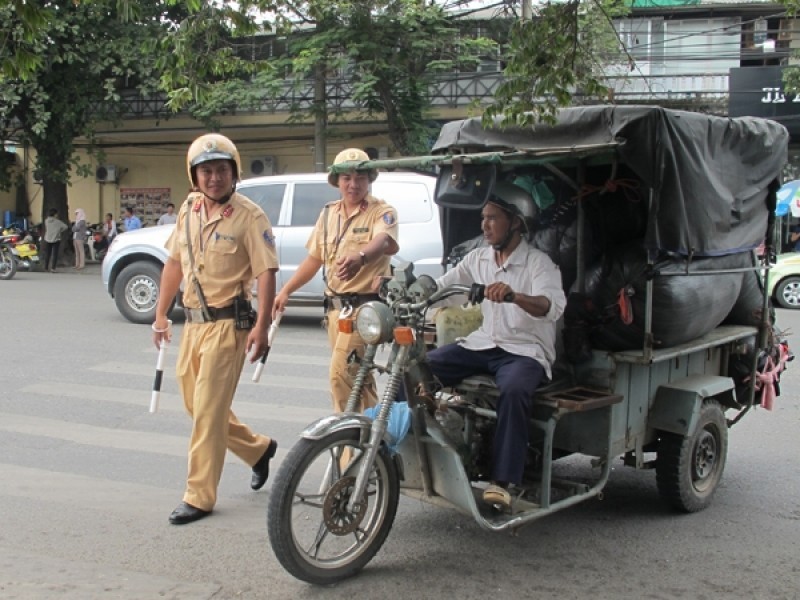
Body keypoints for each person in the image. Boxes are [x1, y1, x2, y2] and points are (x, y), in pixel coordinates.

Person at [152, 133, 280, 526]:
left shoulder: (250, 217)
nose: (213, 178)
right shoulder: (189, 209)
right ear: (194, 176)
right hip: (192, 325)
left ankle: (199, 495)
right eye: (205, 171)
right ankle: (258, 450)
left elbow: (265, 272)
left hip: (229, 327)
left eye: (221, 170)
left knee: (208, 413)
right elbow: (174, 263)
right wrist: (160, 315)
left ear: (233, 172)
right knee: (197, 406)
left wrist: (262, 327)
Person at [421, 182, 566, 510]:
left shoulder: (538, 264)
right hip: (483, 345)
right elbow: (447, 287)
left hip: (524, 350)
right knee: (418, 367)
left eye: (493, 219)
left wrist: (514, 295)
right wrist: (412, 287)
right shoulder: (478, 259)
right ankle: (419, 443)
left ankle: (503, 481)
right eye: (483, 218)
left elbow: (550, 306)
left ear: (515, 222)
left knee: (514, 391)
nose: (484, 225)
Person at [273, 148, 399, 413]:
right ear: (337, 182)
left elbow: (384, 241)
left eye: (360, 178)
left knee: (340, 376)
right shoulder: (329, 214)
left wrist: (361, 257)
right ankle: (379, 442)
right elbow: (314, 259)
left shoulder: (381, 211)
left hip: (364, 311)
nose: (353, 184)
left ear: (370, 179)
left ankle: (346, 446)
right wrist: (286, 290)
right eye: (346, 178)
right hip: (334, 311)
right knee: (359, 381)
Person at [42, 208, 68, 273]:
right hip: (56, 239)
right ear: (55, 214)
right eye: (56, 214)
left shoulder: (46, 221)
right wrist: (59, 231)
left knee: (48, 254)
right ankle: (53, 268)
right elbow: (65, 227)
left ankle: (46, 267)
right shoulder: (58, 222)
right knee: (55, 254)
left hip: (47, 238)